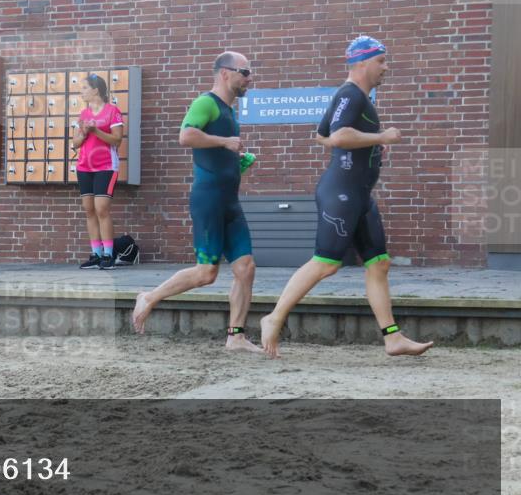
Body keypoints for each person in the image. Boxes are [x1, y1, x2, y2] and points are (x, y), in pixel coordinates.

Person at [260, 36, 433, 358]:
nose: (386, 67)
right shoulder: (351, 95)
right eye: (381, 61)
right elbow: (338, 136)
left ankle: (392, 338)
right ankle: (274, 317)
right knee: (325, 264)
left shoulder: (353, 97)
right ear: (364, 63)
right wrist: (382, 136)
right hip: (341, 193)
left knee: (379, 263)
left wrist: (367, 142)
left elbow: (322, 135)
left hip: (358, 194)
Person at [132, 52, 262, 353]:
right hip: (208, 200)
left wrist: (237, 159)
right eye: (244, 72)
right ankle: (149, 297)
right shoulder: (206, 103)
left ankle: (236, 336)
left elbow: (214, 153)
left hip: (229, 201)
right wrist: (224, 143)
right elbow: (186, 135)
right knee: (207, 273)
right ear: (225, 73)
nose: (248, 78)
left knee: (246, 267)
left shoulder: (230, 111)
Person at [71, 73, 125, 270]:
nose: (81, 92)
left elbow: (117, 140)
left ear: (95, 90)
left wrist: (96, 131)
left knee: (102, 208)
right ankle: (96, 254)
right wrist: (84, 132)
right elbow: (75, 143)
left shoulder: (113, 111)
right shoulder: (84, 114)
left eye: (84, 88)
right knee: (89, 210)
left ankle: (109, 255)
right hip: (84, 166)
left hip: (106, 166)